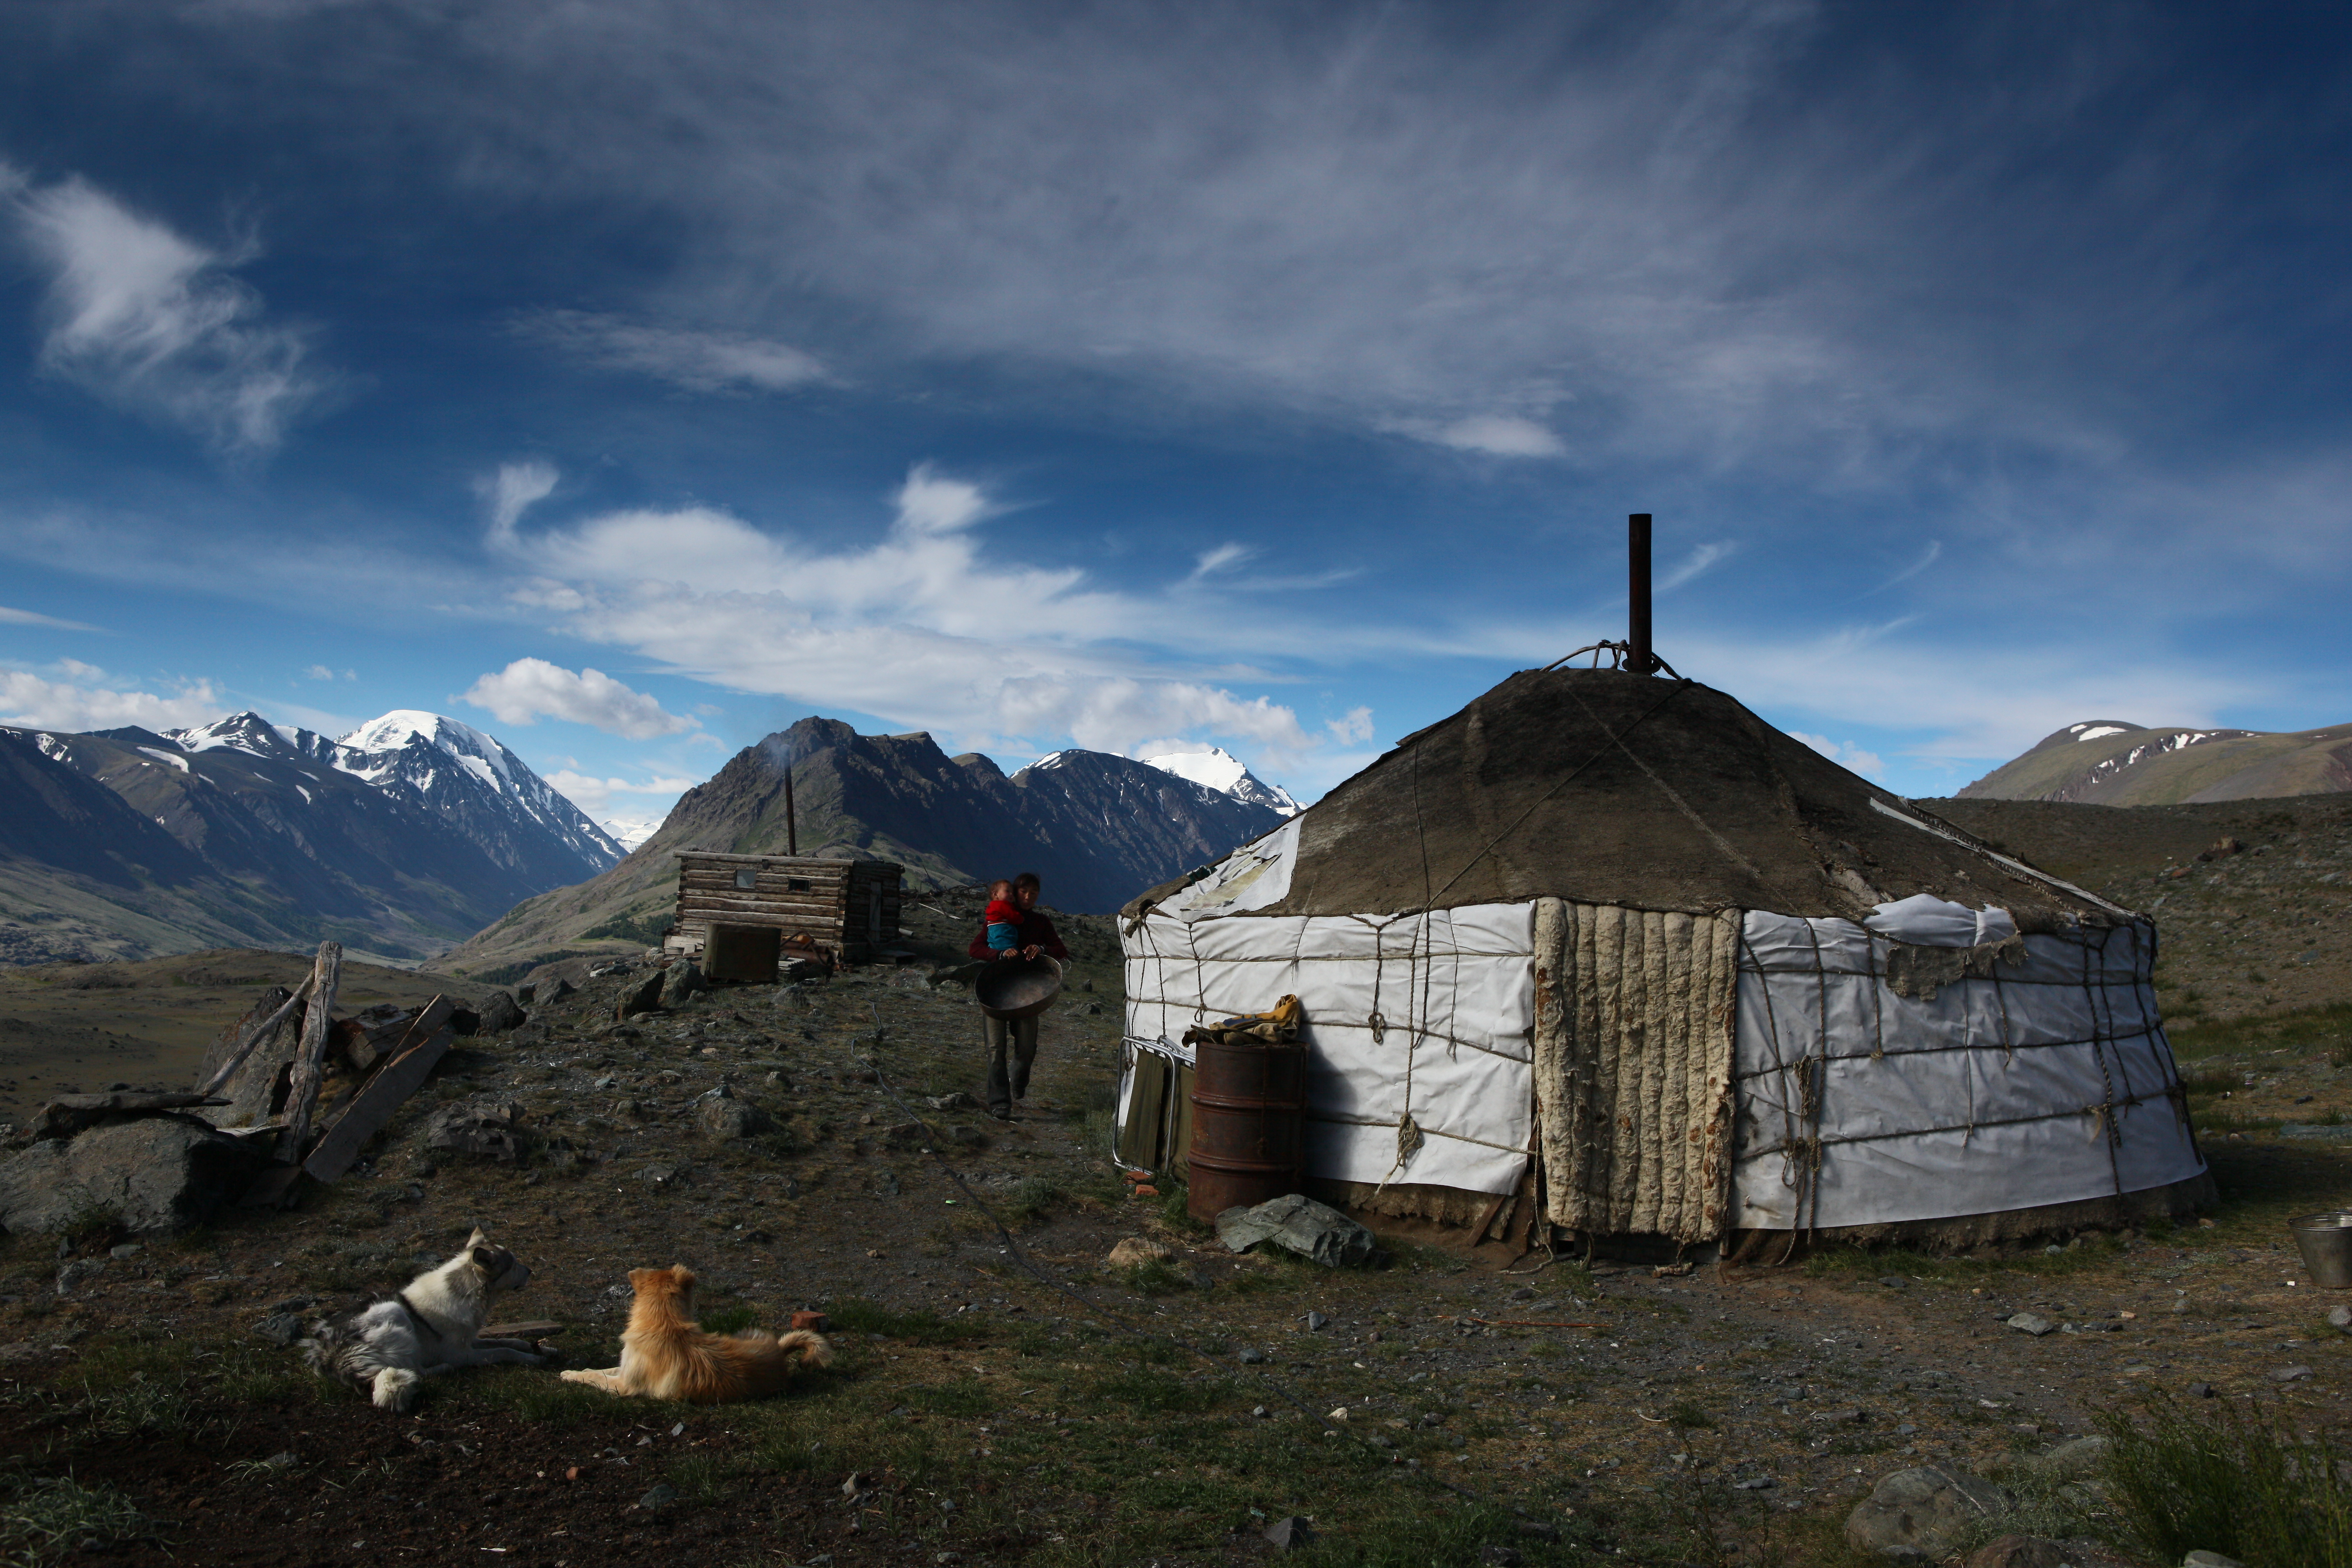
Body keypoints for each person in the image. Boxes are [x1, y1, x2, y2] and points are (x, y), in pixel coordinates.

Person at [968, 871, 1068, 1119]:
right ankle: (1000, 1102)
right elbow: (975, 948)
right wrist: (998, 955)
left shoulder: (1041, 922)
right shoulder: (998, 918)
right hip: (995, 990)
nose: (1028, 896)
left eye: (1033, 893)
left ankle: (1018, 1081)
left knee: (1026, 1049)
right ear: (1014, 893)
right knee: (995, 1049)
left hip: (1027, 994)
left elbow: (1061, 950)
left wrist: (1042, 948)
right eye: (1023, 892)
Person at [982, 879, 1025, 953]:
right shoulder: (1002, 905)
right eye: (1008, 891)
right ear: (996, 894)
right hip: (1002, 928)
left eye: (1013, 893)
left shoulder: (994, 905)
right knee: (1007, 945)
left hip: (994, 928)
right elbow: (1013, 917)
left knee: (995, 944)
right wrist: (1021, 919)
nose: (1011, 894)